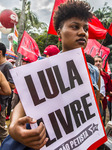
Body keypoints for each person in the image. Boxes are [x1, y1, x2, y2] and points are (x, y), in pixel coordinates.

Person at [8, 1, 93, 149]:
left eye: (85, 29)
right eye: (75, 26)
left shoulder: (94, 72)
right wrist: (13, 127)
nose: (82, 32)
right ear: (59, 32)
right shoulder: (43, 68)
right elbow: (23, 104)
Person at [0, 42, 15, 143]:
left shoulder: (7, 65)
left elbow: (13, 85)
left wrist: (3, 82)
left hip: (2, 102)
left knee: (2, 130)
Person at [94, 55, 112, 126]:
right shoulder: (88, 75)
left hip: (102, 105)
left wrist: (103, 94)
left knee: (102, 125)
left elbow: (109, 90)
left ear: (102, 63)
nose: (98, 63)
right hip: (92, 105)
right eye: (96, 61)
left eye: (100, 61)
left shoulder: (106, 76)